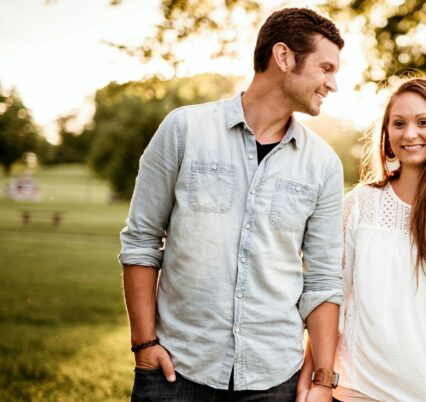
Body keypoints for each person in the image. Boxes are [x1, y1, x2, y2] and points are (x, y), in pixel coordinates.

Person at [119, 8, 345, 402]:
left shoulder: (323, 164)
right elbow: (141, 242)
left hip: (274, 380)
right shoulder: (183, 130)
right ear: (284, 57)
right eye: (325, 68)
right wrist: (144, 344)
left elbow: (324, 279)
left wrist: (323, 381)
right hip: (176, 372)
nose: (333, 84)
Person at [300, 77, 426, 401]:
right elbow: (331, 296)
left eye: (423, 122)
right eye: (398, 123)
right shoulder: (358, 204)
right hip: (354, 390)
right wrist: (318, 381)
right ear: (387, 134)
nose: (409, 133)